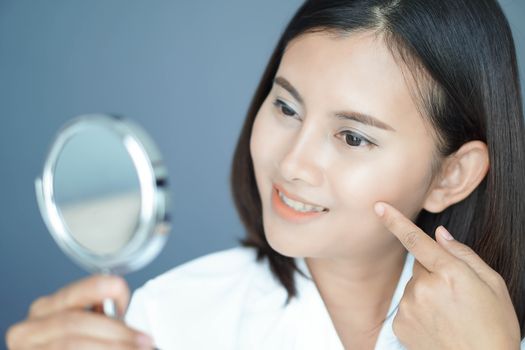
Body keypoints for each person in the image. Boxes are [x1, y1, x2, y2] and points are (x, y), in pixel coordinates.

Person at [6, 0, 525, 349]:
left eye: (353, 137)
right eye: (286, 108)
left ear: (451, 175)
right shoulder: (167, 319)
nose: (292, 163)